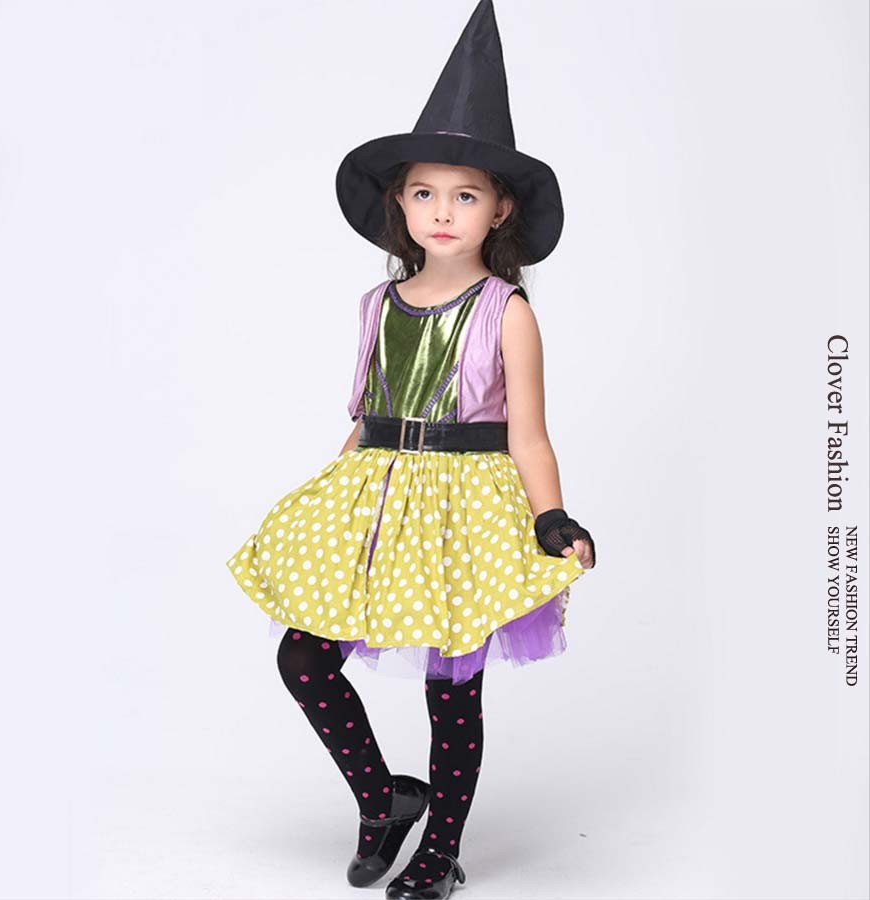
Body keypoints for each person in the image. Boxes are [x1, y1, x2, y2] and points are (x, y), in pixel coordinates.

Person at [226, 2, 597, 898]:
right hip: (377, 496)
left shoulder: (508, 311)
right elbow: (366, 416)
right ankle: (384, 797)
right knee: (303, 657)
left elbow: (528, 432)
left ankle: (442, 851)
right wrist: (329, 502)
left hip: (464, 508)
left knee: (452, 689)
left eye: (465, 194)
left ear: (500, 208)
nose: (442, 211)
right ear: (399, 200)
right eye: (425, 192)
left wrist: (551, 515)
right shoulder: (376, 305)